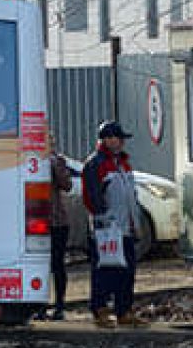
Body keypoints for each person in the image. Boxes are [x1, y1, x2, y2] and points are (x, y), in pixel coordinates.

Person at [81, 120, 148, 329]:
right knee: (104, 272)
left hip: (125, 227)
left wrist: (135, 223)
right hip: (107, 229)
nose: (121, 143)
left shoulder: (123, 163)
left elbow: (131, 196)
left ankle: (124, 310)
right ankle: (100, 310)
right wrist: (103, 219)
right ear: (107, 139)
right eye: (118, 139)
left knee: (126, 272)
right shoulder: (96, 164)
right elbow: (91, 197)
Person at [35, 131, 73, 320]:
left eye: (50, 141)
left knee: (58, 264)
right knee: (40, 265)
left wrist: (56, 165)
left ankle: (59, 306)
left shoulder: (58, 161)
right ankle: (40, 307)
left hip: (57, 220)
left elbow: (67, 185)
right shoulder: (30, 162)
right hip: (37, 221)